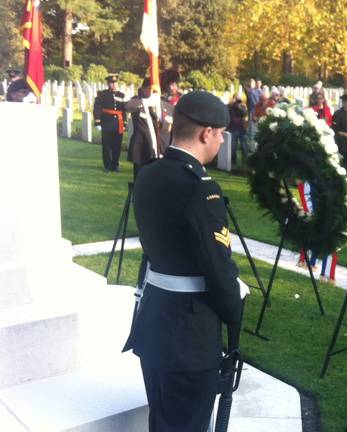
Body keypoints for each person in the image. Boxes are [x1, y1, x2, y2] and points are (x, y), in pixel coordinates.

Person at [122, 91, 248, 432]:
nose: (221, 140)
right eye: (220, 133)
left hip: (155, 322)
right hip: (189, 337)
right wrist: (235, 307)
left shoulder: (148, 175)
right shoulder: (201, 190)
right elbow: (219, 271)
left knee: (163, 423)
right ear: (207, 133)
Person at [125, 79, 161, 178]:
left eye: (154, 90)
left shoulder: (157, 102)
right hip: (141, 145)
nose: (152, 92)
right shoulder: (137, 100)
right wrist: (146, 102)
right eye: (150, 89)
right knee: (139, 176)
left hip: (156, 146)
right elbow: (128, 106)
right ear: (143, 89)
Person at [93, 74, 127, 172]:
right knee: (107, 146)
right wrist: (97, 122)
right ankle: (107, 165)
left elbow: (123, 110)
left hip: (118, 123)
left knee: (117, 145)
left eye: (115, 83)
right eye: (111, 83)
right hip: (107, 123)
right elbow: (97, 109)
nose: (114, 85)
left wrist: (124, 123)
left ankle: (115, 165)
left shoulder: (121, 95)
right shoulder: (102, 94)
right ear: (108, 84)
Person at [331, 92, 347, 175]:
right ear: (344, 102)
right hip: (341, 140)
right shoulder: (338, 113)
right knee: (341, 159)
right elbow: (334, 128)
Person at [226, 94, 249, 165]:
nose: (238, 101)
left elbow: (244, 113)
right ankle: (233, 162)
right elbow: (230, 116)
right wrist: (233, 105)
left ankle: (245, 162)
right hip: (233, 128)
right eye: (237, 99)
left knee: (244, 147)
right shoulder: (229, 106)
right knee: (233, 147)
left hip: (242, 129)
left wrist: (238, 106)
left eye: (239, 99)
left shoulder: (242, 106)